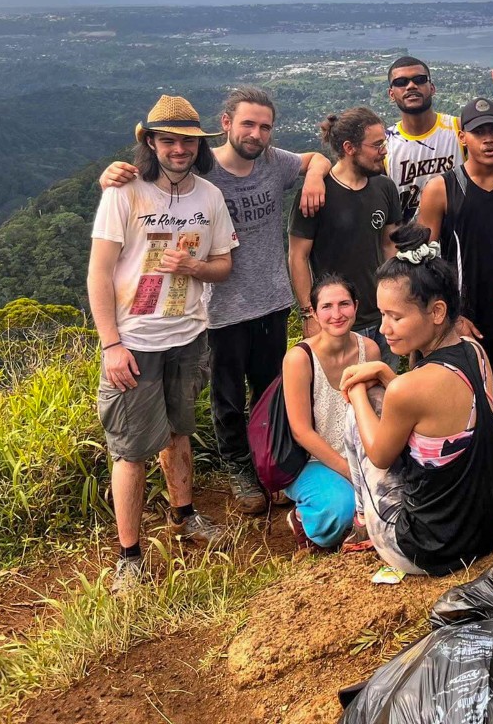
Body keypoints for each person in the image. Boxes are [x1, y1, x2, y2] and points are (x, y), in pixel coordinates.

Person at [99, 86, 334, 515]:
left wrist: (316, 174)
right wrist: (111, 175)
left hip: (272, 300)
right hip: (220, 309)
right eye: (247, 123)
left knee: (271, 392)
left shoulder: (274, 162)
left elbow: (315, 158)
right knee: (227, 399)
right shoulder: (202, 173)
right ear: (226, 123)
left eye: (265, 126)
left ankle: (270, 464)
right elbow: (155, 177)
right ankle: (239, 468)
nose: (256, 133)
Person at [87, 95, 237, 593]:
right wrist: (111, 344)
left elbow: (223, 264)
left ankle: (184, 515)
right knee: (130, 450)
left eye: (187, 141)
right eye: (168, 140)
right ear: (150, 143)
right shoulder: (124, 193)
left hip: (189, 335)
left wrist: (196, 267)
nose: (179, 150)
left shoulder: (209, 197)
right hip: (135, 341)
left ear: (200, 146)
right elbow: (99, 273)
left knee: (178, 432)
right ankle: (129, 556)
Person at [339, 224, 493, 576]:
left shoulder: (409, 389)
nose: (384, 328)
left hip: (427, 551)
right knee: (381, 395)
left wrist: (356, 393)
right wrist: (386, 373)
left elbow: (380, 456)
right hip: (484, 535)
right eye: (382, 315)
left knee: (361, 409)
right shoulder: (475, 352)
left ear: (437, 312)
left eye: (395, 317)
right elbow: (434, 406)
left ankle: (363, 522)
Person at [417, 97, 493, 366]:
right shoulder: (441, 189)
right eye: (479, 132)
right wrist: (452, 315)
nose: (488, 140)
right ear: (463, 138)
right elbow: (424, 262)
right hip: (463, 321)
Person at [289, 107, 401, 367]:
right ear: (350, 148)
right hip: (339, 321)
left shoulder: (384, 187)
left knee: (384, 389)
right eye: (376, 145)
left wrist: (396, 300)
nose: (384, 151)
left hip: (383, 317)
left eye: (383, 143)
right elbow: (298, 256)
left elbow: (389, 244)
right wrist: (309, 314)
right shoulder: (317, 194)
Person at [280, 275, 378, 552]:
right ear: (313, 312)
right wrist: (350, 472)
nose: (337, 314)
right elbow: (301, 431)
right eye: (326, 306)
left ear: (356, 306)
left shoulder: (369, 350)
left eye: (344, 304)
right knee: (341, 509)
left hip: (362, 453)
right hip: (312, 459)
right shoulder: (299, 358)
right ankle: (304, 519)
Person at [384, 57, 493, 223]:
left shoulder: (458, 129)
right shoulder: (385, 145)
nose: (411, 86)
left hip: (464, 233)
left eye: (419, 79)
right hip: (411, 237)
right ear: (391, 94)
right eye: (401, 82)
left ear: (432, 88)